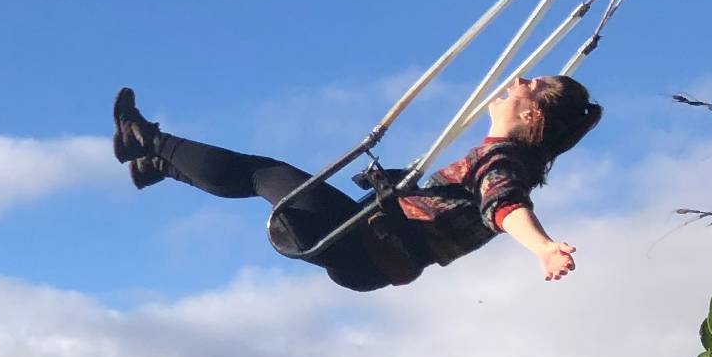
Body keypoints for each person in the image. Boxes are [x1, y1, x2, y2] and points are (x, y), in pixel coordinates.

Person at [111, 74, 603, 291]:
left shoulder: (502, 162)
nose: (515, 82)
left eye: (529, 85)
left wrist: (541, 247)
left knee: (262, 173)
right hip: (371, 253)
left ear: (531, 112)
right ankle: (160, 165)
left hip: (366, 244)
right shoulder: (502, 157)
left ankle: (149, 142)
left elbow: (504, 205)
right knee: (262, 177)